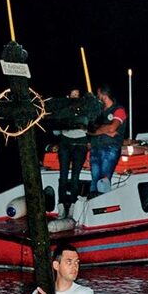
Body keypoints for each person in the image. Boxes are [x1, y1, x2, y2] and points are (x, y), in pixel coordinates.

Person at [87, 85, 127, 196]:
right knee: (94, 180)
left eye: (98, 94)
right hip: (95, 147)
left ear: (104, 95)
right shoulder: (97, 111)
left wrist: (101, 129)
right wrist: (105, 130)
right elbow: (89, 129)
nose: (97, 97)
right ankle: (92, 204)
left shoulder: (119, 110)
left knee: (104, 179)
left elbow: (112, 128)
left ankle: (103, 205)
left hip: (110, 148)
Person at [56, 89, 89, 218]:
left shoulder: (85, 110)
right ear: (68, 96)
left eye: (77, 95)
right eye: (73, 95)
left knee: (75, 175)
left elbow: (91, 127)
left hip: (80, 143)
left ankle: (72, 207)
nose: (75, 97)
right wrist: (62, 127)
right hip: (65, 142)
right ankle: (61, 206)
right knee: (63, 175)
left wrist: (83, 127)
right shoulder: (63, 110)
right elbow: (56, 130)